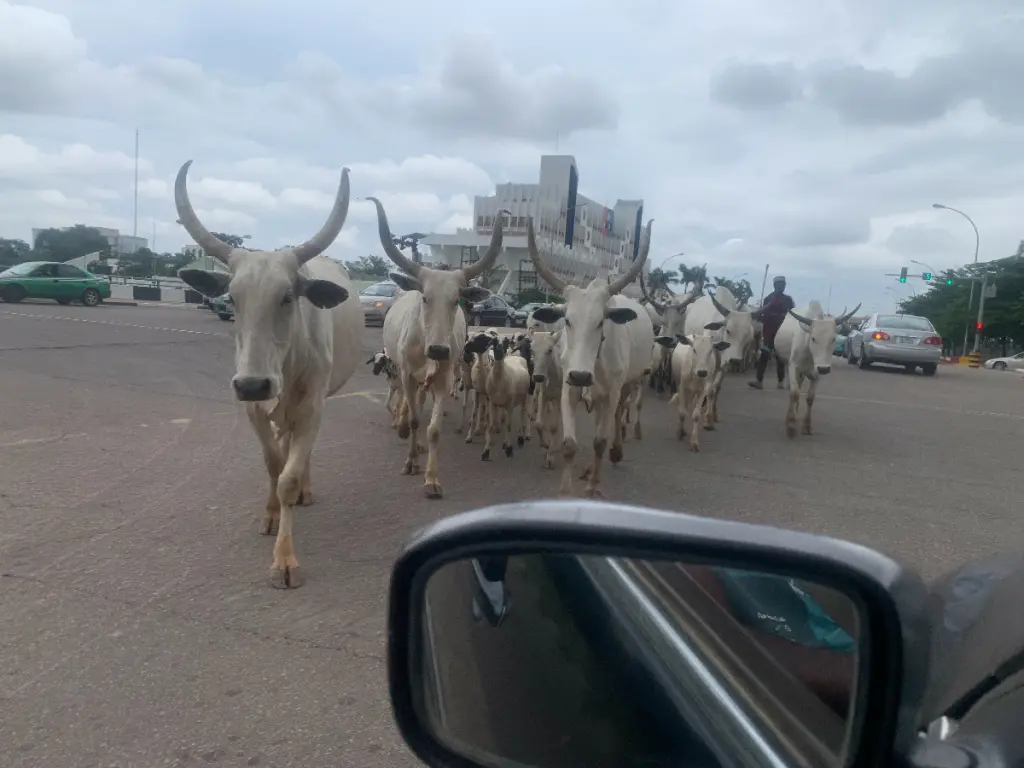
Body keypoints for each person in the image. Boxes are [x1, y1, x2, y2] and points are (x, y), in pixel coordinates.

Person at [749, 276, 795, 390]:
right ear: (775, 286)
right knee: (764, 356)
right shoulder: (768, 299)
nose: (781, 287)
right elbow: (762, 314)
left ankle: (781, 381)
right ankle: (759, 381)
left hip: (783, 333)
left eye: (783, 285)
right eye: (779, 285)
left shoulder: (788, 300)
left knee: (781, 358)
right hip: (769, 333)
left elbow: (793, 315)